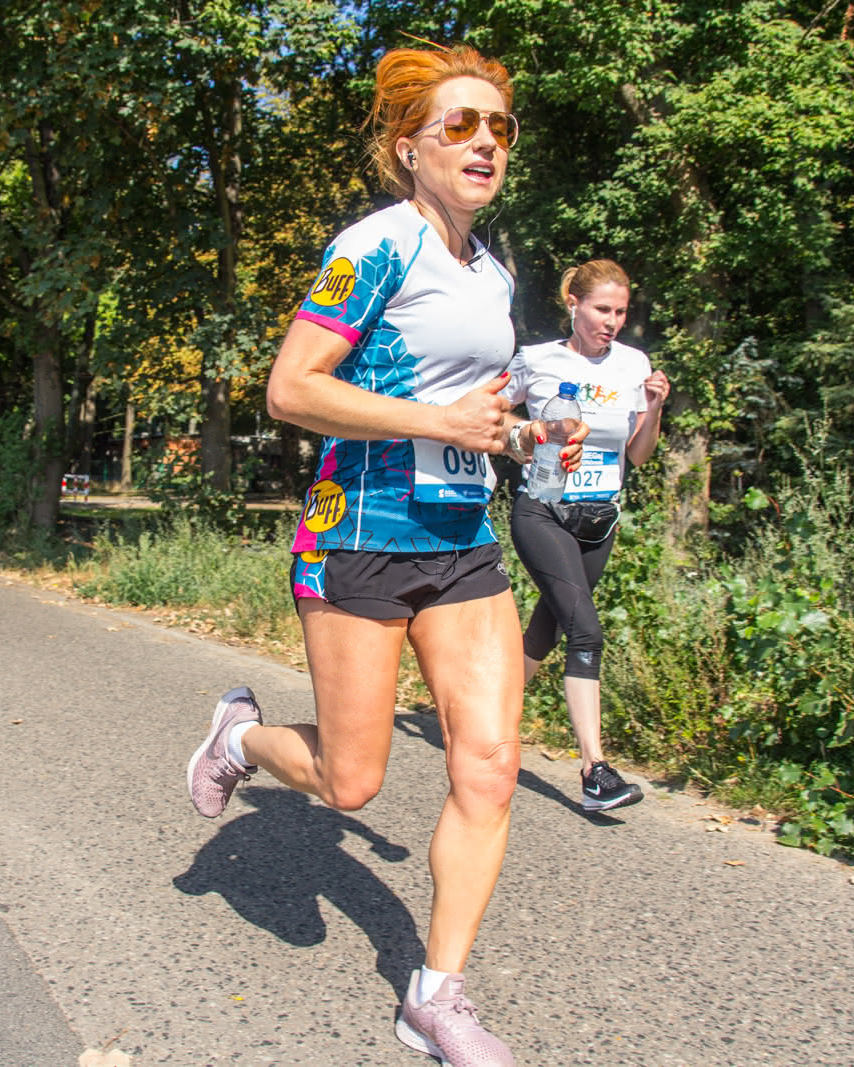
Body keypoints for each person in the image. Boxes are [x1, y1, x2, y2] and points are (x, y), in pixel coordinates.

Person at [186, 45, 579, 1067]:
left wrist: (524, 436)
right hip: (357, 534)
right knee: (350, 781)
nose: (485, 142)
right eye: (460, 125)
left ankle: (435, 997)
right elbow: (291, 388)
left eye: (499, 127)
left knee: (489, 764)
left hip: (461, 541)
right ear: (409, 147)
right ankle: (240, 738)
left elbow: (471, 413)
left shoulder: (493, 270)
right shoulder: (375, 246)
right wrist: (439, 419)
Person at [504, 260, 670, 814]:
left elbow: (638, 454)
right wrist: (523, 436)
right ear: (572, 303)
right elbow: (488, 416)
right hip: (544, 511)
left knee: (548, 628)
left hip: (600, 521)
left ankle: (487, 718)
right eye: (602, 309)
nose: (612, 321)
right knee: (586, 633)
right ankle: (594, 771)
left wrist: (655, 408)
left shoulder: (634, 364)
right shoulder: (535, 360)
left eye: (620, 311)